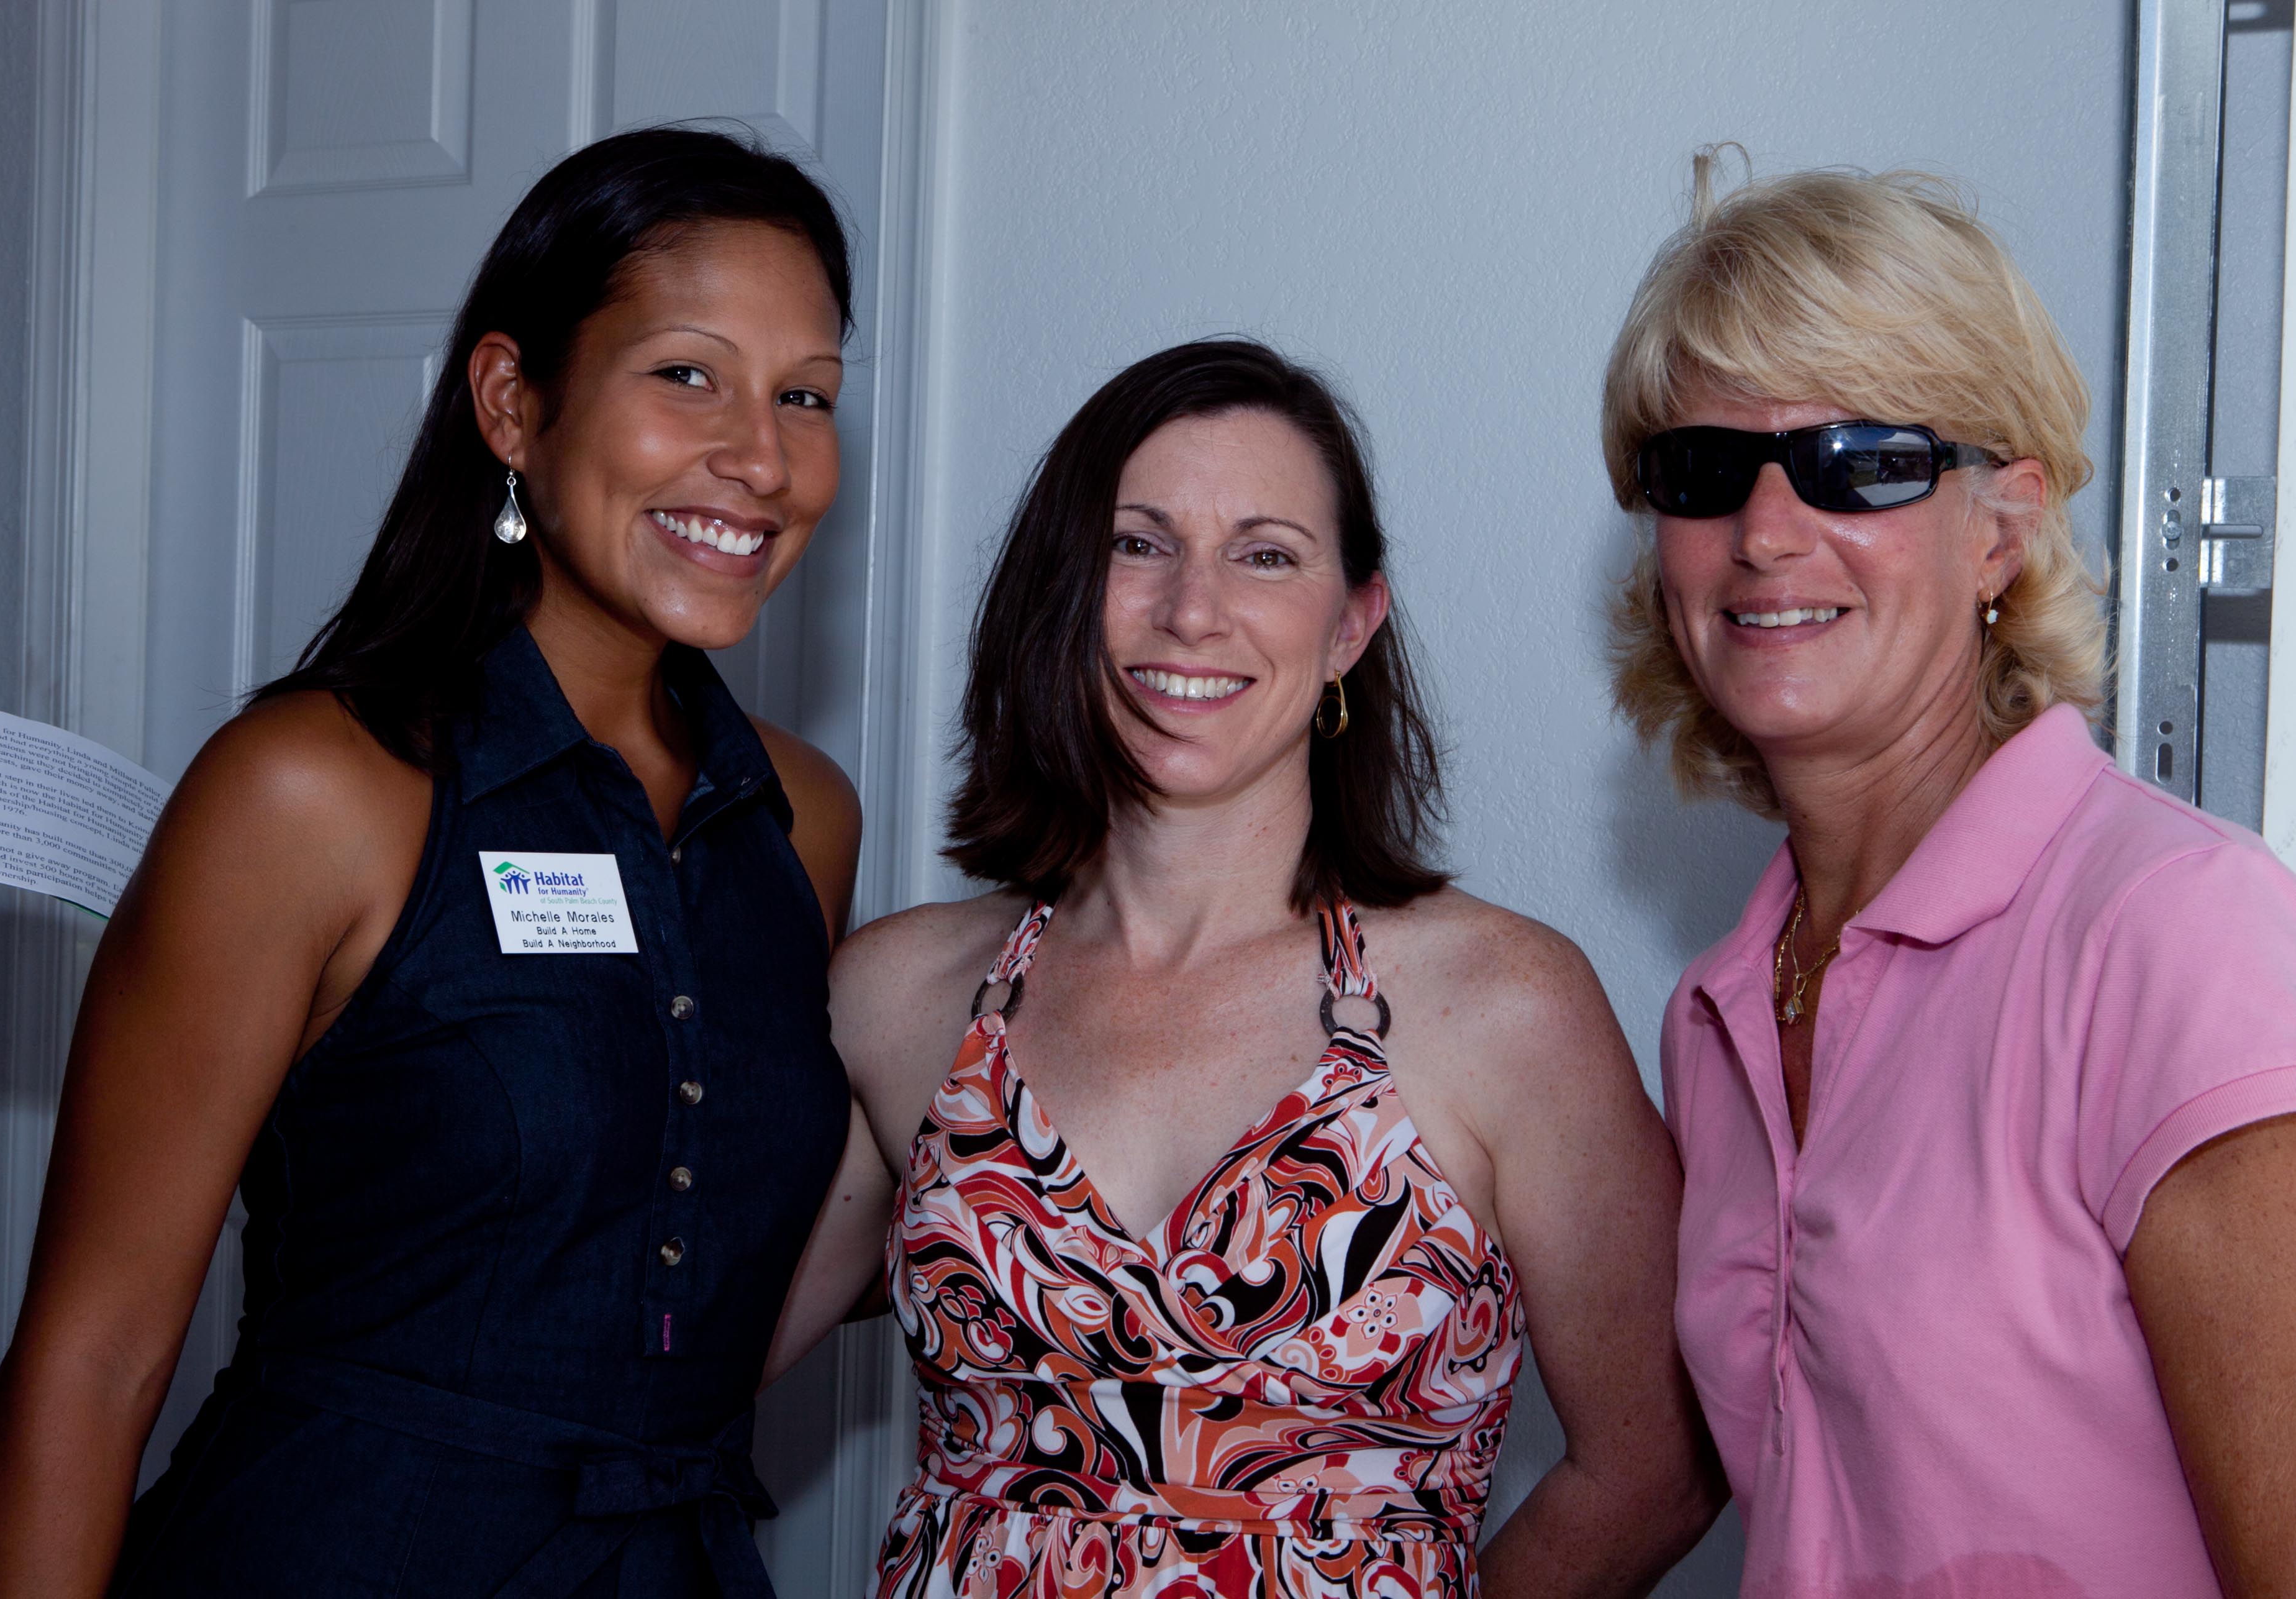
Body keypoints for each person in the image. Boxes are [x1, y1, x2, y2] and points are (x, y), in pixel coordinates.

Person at [0, 129, 863, 1599]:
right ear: (514, 402)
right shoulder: (314, 791)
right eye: (685, 374)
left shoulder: (800, 819)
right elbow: (96, 1357)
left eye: (804, 396)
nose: (759, 457)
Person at [768, 339, 1722, 1597]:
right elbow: (651, 1363)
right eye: (1135, 544)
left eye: (1263, 554)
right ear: (1055, 591)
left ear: (1349, 626)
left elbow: (1653, 1471)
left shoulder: (1502, 1005)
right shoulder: (898, 998)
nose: (1192, 610)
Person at [1604, 155, 2296, 1598]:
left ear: (2001, 525)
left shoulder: (2176, 936)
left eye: (1861, 460)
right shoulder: (1713, 1012)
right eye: (1702, 472)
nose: (1766, 530)